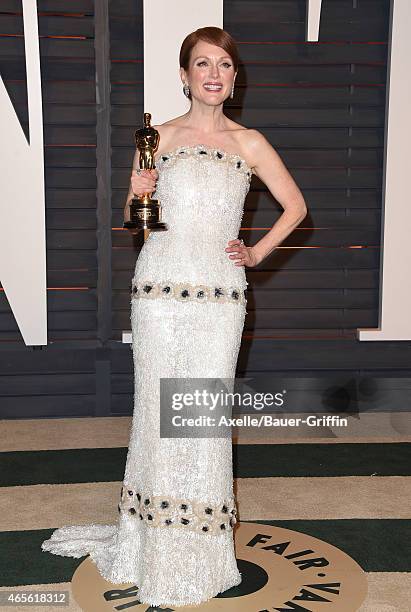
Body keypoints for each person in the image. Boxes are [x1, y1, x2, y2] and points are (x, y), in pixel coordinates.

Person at [41, 26, 307, 608]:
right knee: (158, 414)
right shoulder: (157, 137)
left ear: (234, 78)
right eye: (202, 64)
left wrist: (258, 252)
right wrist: (136, 188)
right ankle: (150, 544)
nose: (214, 74)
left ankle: (196, 555)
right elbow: (136, 217)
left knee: (201, 416)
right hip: (159, 293)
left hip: (219, 298)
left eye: (225, 65)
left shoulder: (250, 142)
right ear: (184, 76)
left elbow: (297, 206)